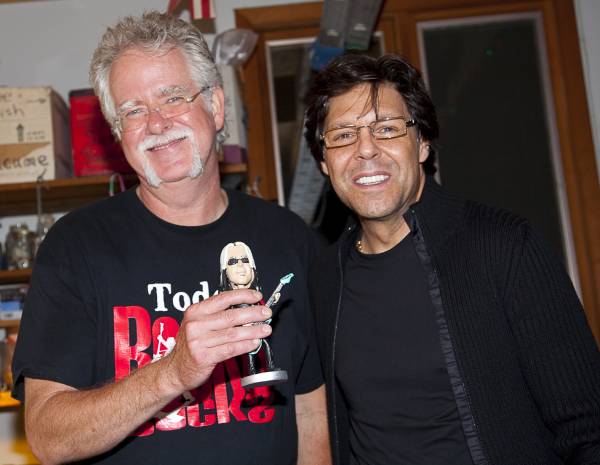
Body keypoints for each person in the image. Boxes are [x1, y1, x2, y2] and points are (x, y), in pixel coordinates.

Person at [12, 11, 330, 465]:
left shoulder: (290, 241)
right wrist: (173, 372)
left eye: (173, 97)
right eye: (133, 111)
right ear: (118, 134)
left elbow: (311, 411)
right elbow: (48, 437)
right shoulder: (74, 247)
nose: (156, 124)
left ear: (215, 107)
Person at [304, 53, 600, 465]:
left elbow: (588, 428)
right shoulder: (324, 278)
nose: (365, 150)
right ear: (324, 160)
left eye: (386, 129)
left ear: (422, 143)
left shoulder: (503, 247)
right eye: (343, 135)